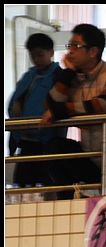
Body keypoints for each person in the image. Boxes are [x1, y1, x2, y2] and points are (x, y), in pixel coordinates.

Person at [41, 23, 106, 198]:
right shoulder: (74, 78)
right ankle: (68, 202)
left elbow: (105, 104)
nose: (70, 51)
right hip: (95, 157)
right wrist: (68, 73)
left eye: (76, 46)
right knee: (55, 147)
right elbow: (51, 105)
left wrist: (62, 110)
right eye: (69, 45)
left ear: (93, 51)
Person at [7, 33, 67, 187]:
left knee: (47, 186)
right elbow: (14, 102)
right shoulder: (29, 76)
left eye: (40, 55)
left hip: (47, 143)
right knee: (22, 187)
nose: (36, 60)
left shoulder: (59, 77)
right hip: (25, 141)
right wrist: (15, 110)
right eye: (33, 56)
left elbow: (62, 106)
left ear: (51, 52)